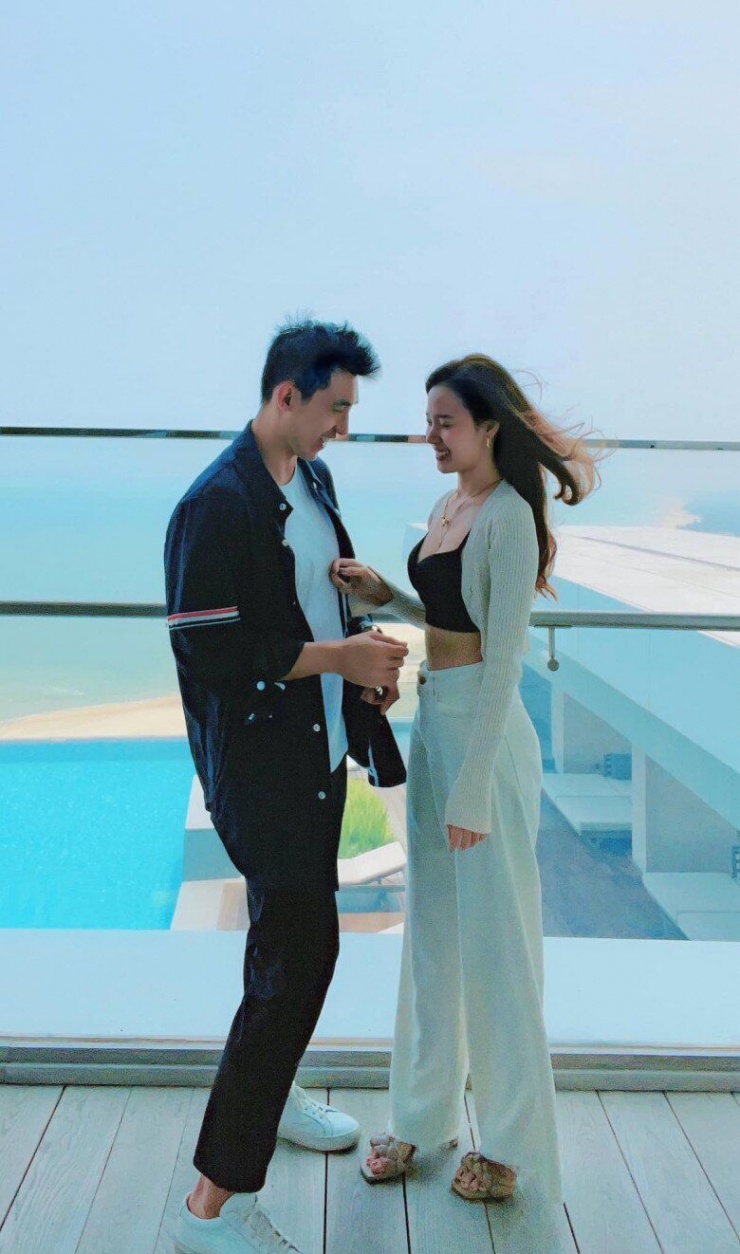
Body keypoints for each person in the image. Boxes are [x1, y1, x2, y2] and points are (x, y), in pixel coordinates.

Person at [331, 353, 598, 1207]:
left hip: (485, 739)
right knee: (432, 940)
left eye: (446, 423)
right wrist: (388, 593)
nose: (432, 437)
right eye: (428, 423)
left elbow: (505, 657)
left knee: (498, 949)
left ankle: (511, 1147)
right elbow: (452, 619)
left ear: (489, 427)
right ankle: (422, 1115)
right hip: (436, 724)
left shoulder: (511, 516)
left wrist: (475, 787)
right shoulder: (453, 505)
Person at [165, 319, 408, 1254]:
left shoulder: (310, 481)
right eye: (335, 408)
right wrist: (336, 657)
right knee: (301, 959)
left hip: (319, 757)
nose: (343, 427)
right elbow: (215, 654)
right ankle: (209, 1208)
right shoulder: (214, 506)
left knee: (284, 951)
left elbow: (317, 602)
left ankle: (273, 1092)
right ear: (285, 396)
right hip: (260, 774)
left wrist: (362, 664)